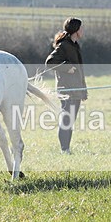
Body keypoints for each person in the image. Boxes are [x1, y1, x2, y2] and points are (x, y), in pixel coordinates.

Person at [45, 17, 87, 154]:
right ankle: (64, 150)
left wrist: (83, 90)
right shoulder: (64, 45)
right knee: (66, 120)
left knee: (70, 120)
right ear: (76, 30)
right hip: (67, 89)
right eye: (81, 28)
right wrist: (67, 67)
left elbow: (79, 70)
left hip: (76, 89)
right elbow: (50, 62)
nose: (83, 30)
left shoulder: (74, 45)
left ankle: (67, 149)